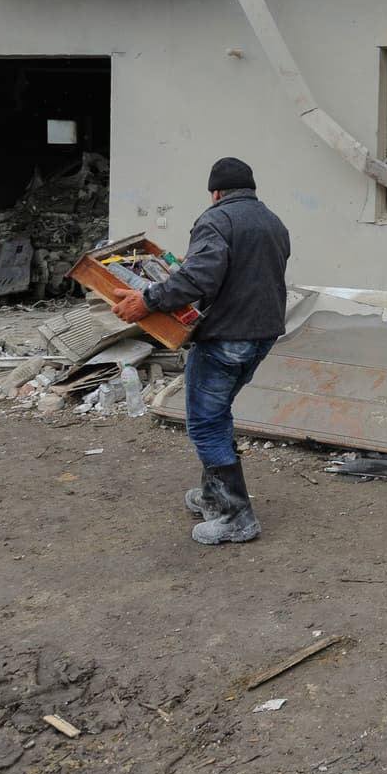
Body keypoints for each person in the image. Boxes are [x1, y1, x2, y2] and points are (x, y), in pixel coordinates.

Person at [114, 157, 290, 546]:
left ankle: (236, 517)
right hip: (262, 335)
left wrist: (148, 300)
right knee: (217, 412)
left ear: (215, 193)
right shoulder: (273, 222)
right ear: (250, 189)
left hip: (227, 338)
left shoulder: (217, 220)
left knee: (205, 423)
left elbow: (199, 277)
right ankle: (214, 496)